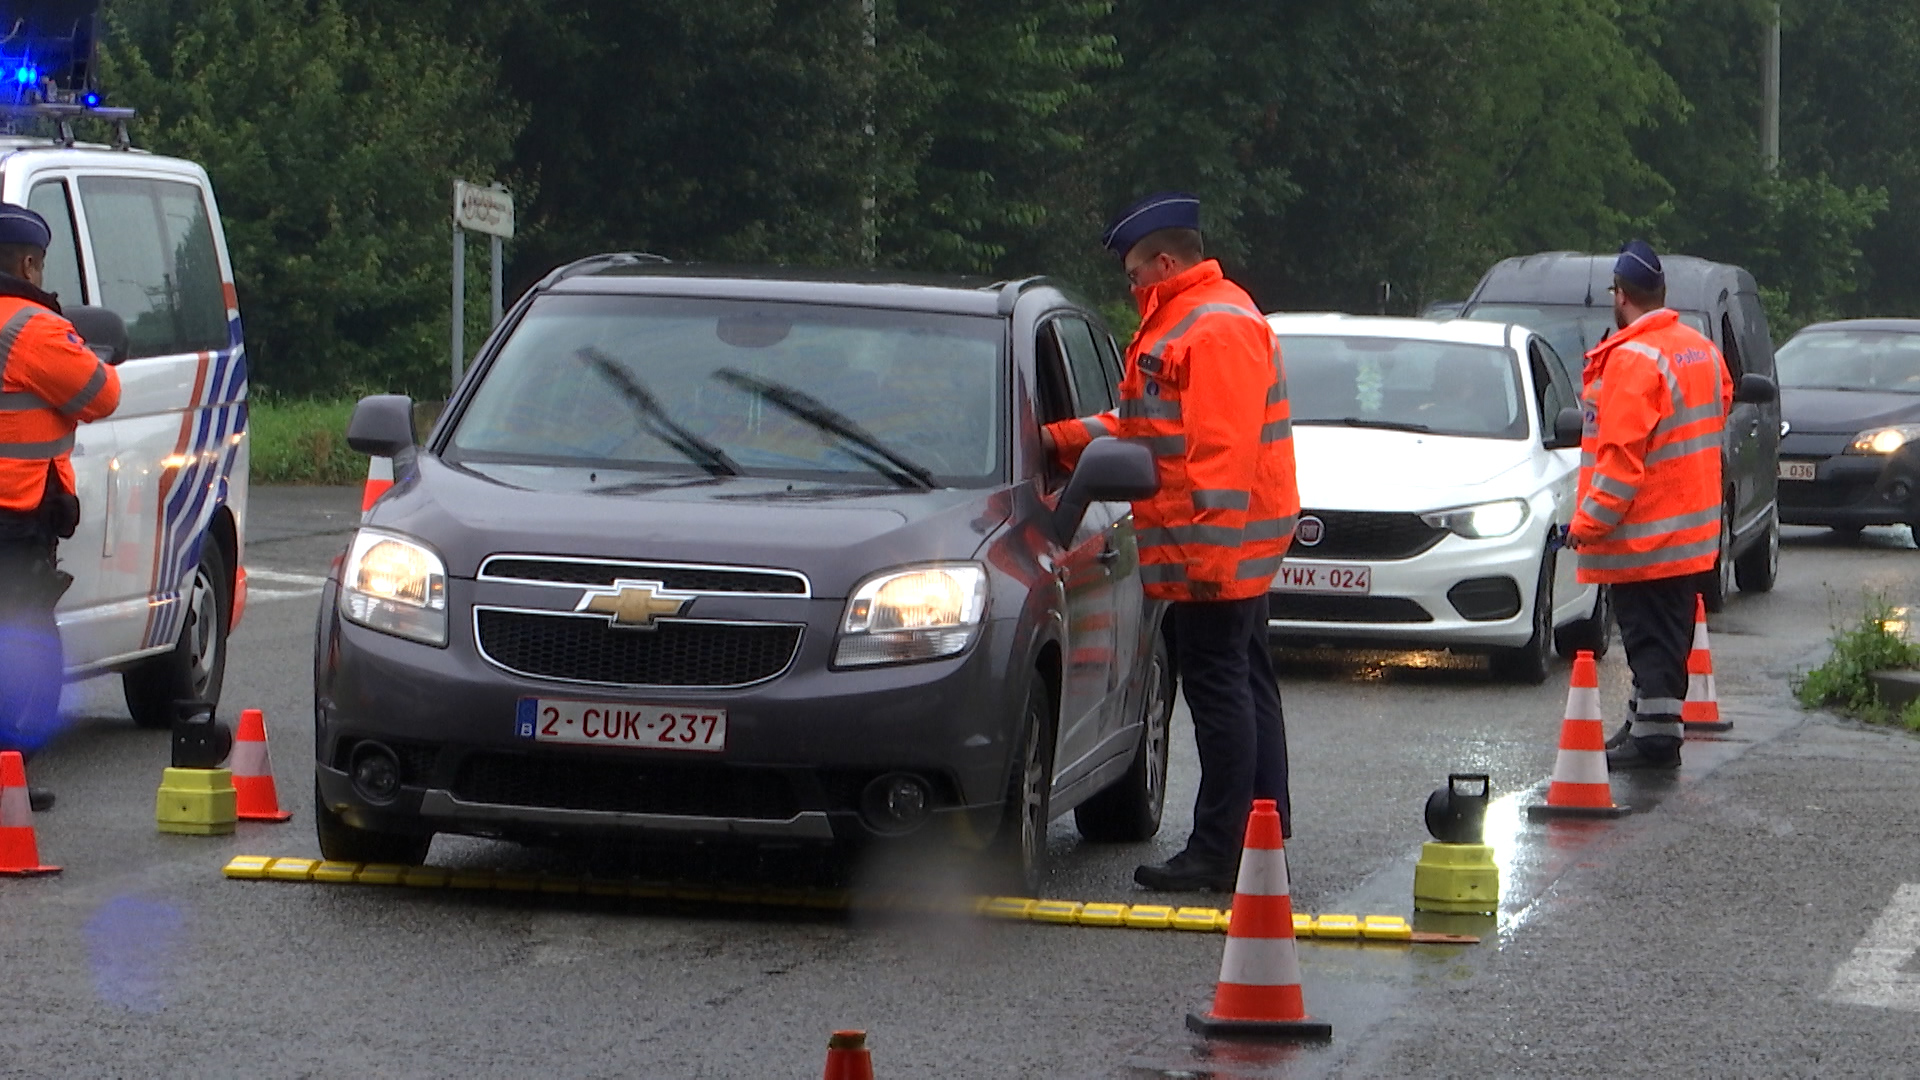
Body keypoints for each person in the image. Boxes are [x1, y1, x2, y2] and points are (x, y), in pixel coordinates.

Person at [1041, 191, 1299, 891]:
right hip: (1218, 543)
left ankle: (1221, 849)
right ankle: (1260, 831)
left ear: (1163, 260)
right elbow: (1140, 428)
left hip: (1214, 547)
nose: (1130, 287)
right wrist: (1058, 444)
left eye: (1133, 274)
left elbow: (1220, 452)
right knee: (1243, 679)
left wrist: (1210, 563)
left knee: (1221, 690)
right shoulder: (1190, 319)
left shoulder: (1209, 328)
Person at [1565, 240, 1729, 770]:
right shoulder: (1696, 346)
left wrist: (1587, 524)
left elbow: (1620, 460)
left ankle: (1655, 739)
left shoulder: (1635, 360)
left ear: (1622, 296)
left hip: (1647, 533)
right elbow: (1719, 400)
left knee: (1650, 637)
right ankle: (1648, 723)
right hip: (1689, 528)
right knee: (1666, 633)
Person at [0, 203, 123, 810]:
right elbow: (102, 393)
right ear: (26, 264)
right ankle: (8, 776)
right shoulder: (33, 328)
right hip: (14, 512)